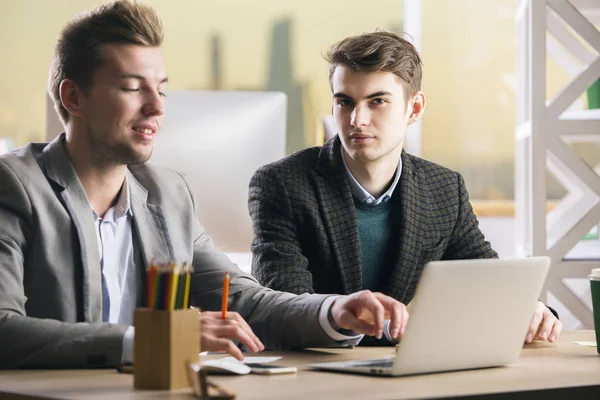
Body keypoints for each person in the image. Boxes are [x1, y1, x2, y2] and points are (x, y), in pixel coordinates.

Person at [0, 3, 408, 369]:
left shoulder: (166, 194)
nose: (158, 106)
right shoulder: (14, 185)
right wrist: (158, 340)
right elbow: (4, 329)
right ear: (73, 96)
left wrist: (335, 311)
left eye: (160, 88)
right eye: (132, 87)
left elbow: (242, 299)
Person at [248, 31, 561, 345]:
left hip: (408, 374)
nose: (357, 119)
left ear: (414, 109)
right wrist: (389, 328)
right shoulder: (282, 185)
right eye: (345, 102)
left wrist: (528, 309)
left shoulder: (444, 189)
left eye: (378, 101)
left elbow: (485, 280)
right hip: (314, 376)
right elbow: (285, 308)